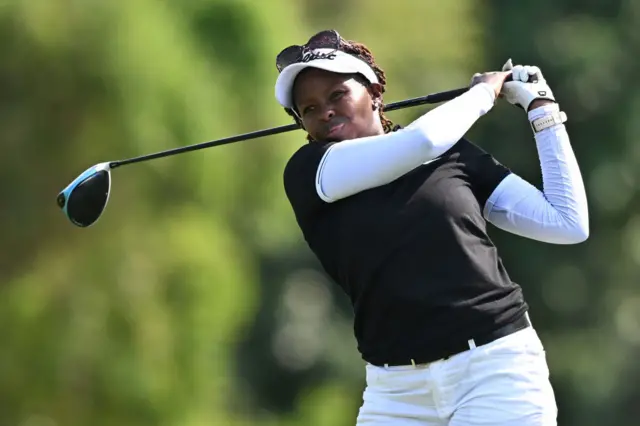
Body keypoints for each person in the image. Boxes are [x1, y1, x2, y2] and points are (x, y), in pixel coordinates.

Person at [275, 29, 588, 426]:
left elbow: (566, 222)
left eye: (338, 95)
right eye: (310, 109)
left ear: (374, 92)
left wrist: (543, 110)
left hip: (495, 372)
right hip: (395, 393)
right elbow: (422, 141)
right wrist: (482, 94)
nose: (326, 112)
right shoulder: (309, 173)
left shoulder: (451, 154)